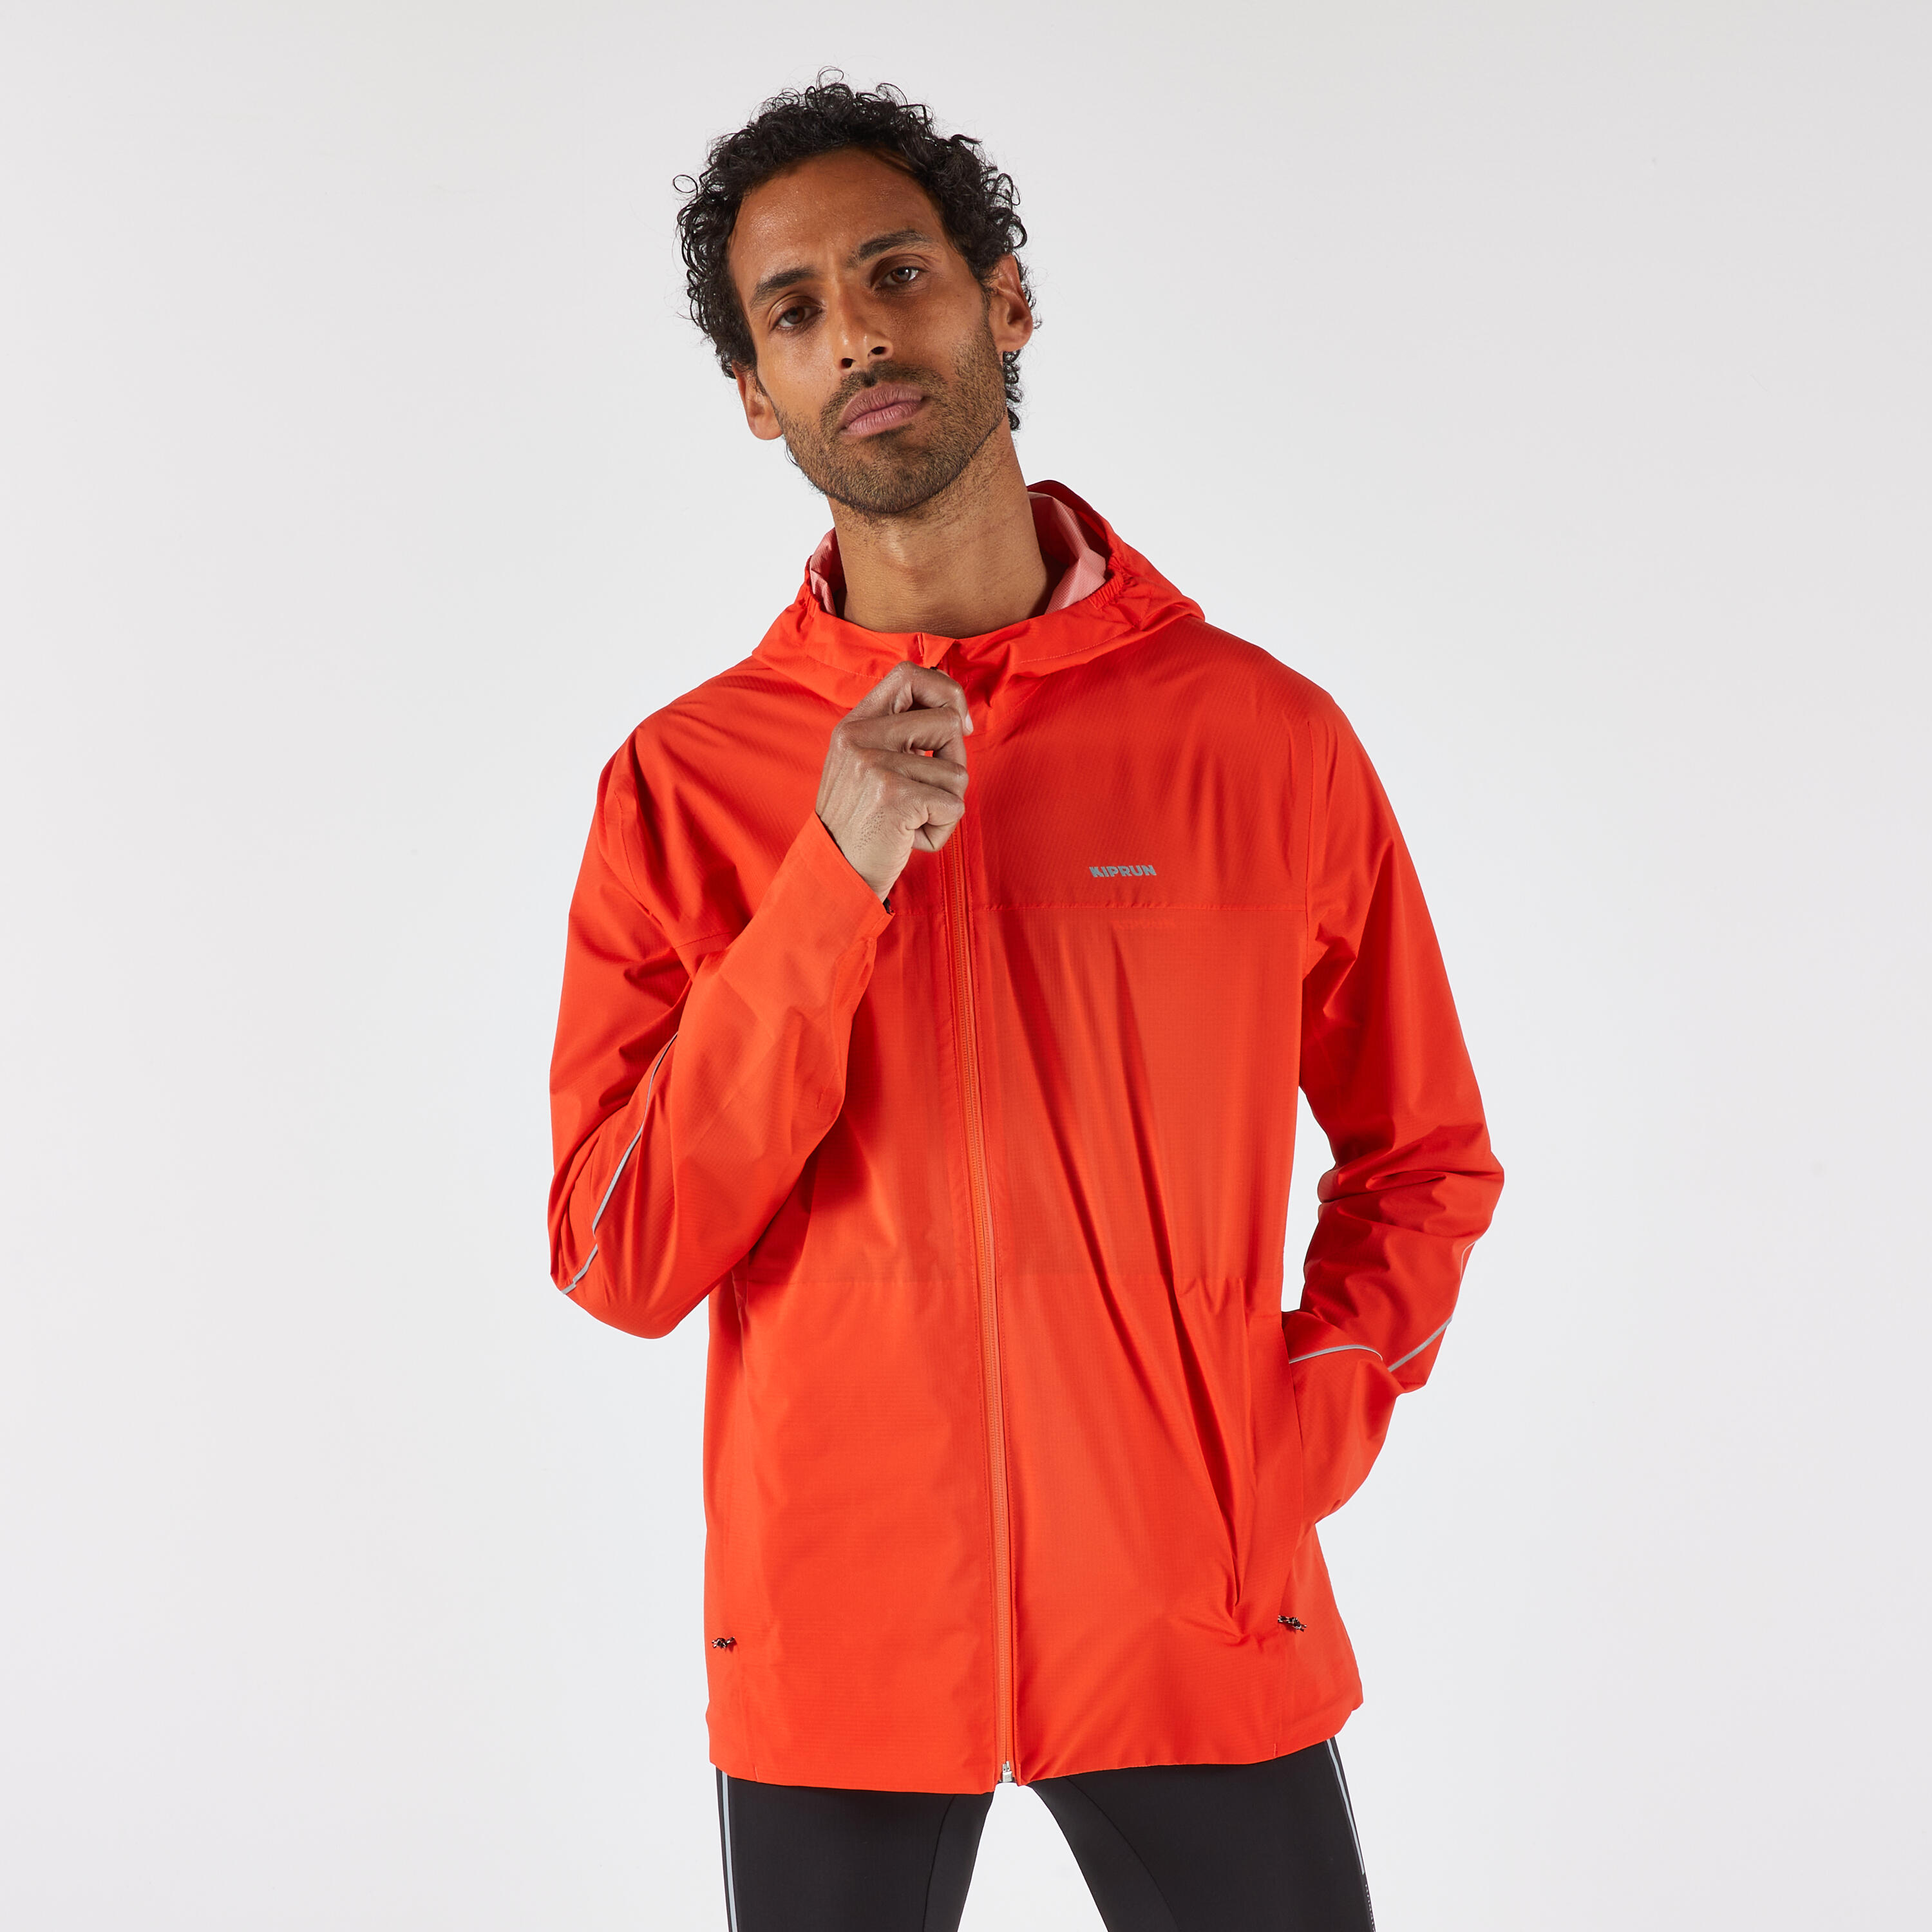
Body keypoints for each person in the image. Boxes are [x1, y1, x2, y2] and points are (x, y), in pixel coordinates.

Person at [547, 78, 1504, 1932]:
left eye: (895, 274)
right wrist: (829, 885)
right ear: (756, 393)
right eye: (795, 312)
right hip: (837, 1636)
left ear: (1005, 302)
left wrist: (1284, 1434)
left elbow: (1426, 1157)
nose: (856, 335)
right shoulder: (684, 784)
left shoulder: (1260, 739)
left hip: (1190, 1612)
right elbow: (621, 1251)